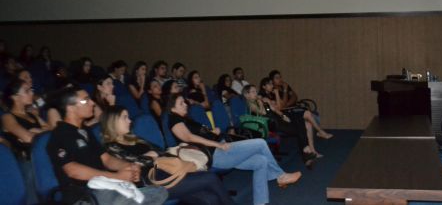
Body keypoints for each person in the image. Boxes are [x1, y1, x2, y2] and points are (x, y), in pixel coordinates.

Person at [167, 93, 301, 205]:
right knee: (260, 143)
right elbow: (188, 137)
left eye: (184, 102)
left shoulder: (186, 119)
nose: (185, 104)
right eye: (181, 103)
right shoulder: (173, 120)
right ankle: (280, 175)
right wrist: (217, 144)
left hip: (221, 148)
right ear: (172, 108)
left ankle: (260, 202)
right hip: (215, 154)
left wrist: (212, 132)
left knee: (261, 161)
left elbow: (197, 134)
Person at [46, 86, 168, 204]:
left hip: (107, 186)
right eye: (86, 100)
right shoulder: (59, 135)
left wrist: (129, 166)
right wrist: (116, 176)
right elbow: (73, 171)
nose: (92, 103)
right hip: (86, 194)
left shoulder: (85, 131)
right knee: (130, 200)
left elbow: (106, 158)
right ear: (71, 108)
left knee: (160, 191)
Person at [101, 106, 234, 205]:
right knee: (210, 178)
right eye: (125, 117)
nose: (129, 121)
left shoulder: (134, 138)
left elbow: (160, 150)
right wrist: (150, 156)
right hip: (152, 183)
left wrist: (151, 155)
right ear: (113, 121)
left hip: (166, 171)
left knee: (211, 199)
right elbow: (134, 165)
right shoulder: (111, 147)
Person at [244, 84, 318, 167]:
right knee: (299, 128)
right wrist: (261, 102)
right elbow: (263, 112)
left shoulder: (261, 100)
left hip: (277, 119)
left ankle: (306, 151)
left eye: (256, 91)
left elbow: (273, 109)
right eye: (253, 92)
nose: (256, 93)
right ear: (247, 95)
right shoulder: (250, 104)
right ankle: (306, 151)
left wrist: (283, 116)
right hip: (271, 124)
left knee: (299, 119)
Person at [2, 78, 50, 205]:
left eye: (31, 90)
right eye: (27, 90)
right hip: (25, 160)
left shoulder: (33, 115)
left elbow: (51, 132)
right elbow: (28, 138)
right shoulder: (7, 117)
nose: (32, 93)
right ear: (15, 97)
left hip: (43, 156)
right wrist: (37, 132)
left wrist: (35, 131)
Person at [260, 77, 332, 140]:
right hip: (278, 118)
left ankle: (320, 132)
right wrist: (276, 94)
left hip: (285, 113)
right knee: (305, 121)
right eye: (269, 84)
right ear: (264, 87)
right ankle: (317, 134)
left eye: (272, 84)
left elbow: (281, 105)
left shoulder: (272, 94)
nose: (272, 85)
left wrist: (276, 94)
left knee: (307, 113)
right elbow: (279, 108)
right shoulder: (263, 97)